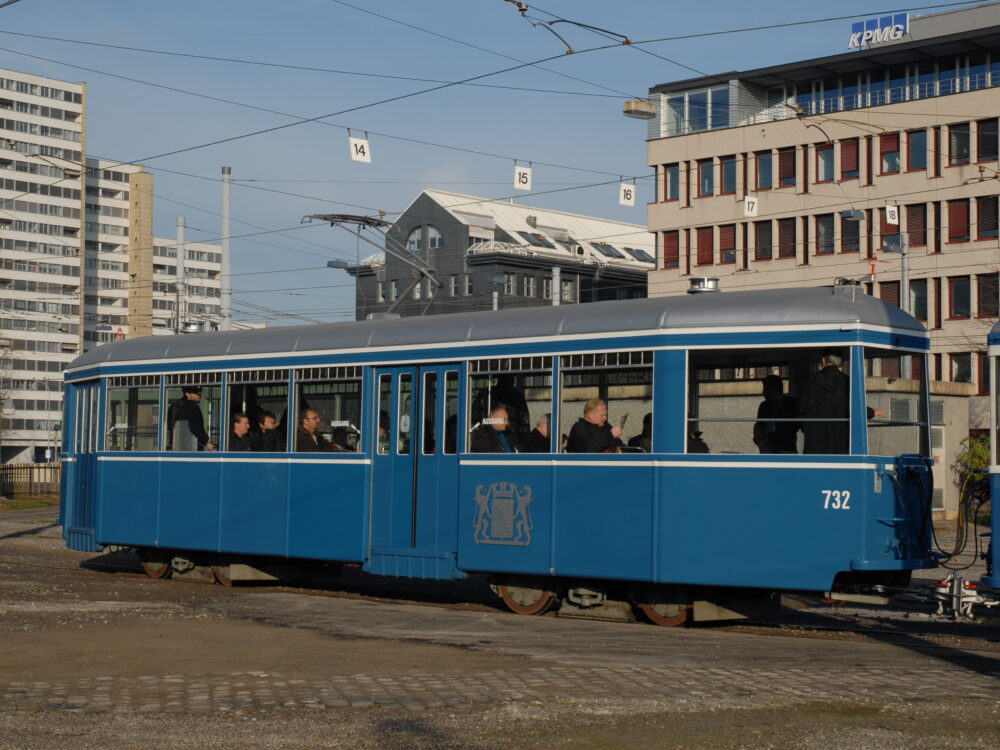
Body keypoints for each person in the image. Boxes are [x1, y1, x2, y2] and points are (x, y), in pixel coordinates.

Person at [798, 350, 849, 454]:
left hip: (814, 437)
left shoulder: (812, 380)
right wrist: (872, 412)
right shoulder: (848, 381)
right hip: (840, 438)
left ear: (823, 361)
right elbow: (855, 406)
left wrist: (802, 424)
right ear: (841, 363)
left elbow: (801, 407)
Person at [753, 375, 799, 454]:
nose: (763, 392)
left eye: (765, 389)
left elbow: (795, 426)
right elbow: (759, 426)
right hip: (767, 449)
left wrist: (775, 428)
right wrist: (760, 439)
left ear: (775, 389)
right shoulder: (764, 406)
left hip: (786, 449)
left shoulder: (791, 404)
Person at [168, 385, 216, 452]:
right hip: (193, 446)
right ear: (187, 394)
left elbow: (170, 426)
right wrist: (206, 442)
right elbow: (195, 426)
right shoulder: (193, 407)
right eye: (196, 393)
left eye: (200, 392)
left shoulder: (177, 406)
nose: (200, 395)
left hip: (179, 446)